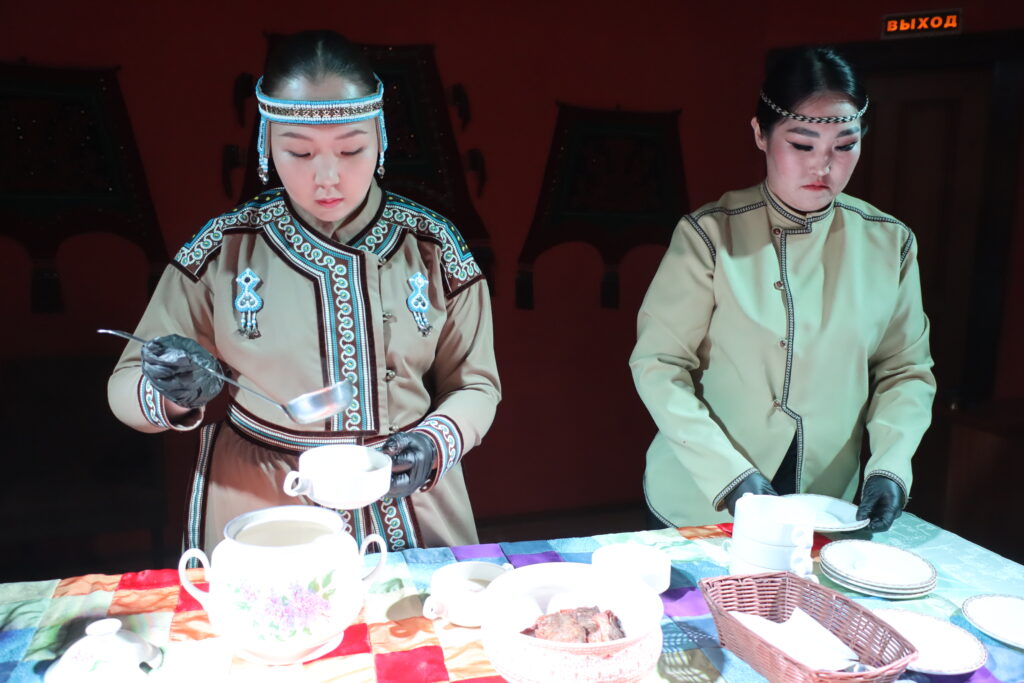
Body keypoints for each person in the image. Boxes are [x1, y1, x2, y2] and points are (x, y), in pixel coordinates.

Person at [108, 30, 500, 554]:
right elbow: (124, 387)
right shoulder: (224, 249)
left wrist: (435, 442)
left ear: (380, 137)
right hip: (262, 499)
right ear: (267, 144)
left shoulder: (433, 246)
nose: (327, 177)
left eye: (351, 149)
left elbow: (476, 384)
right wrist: (171, 389)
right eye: (298, 152)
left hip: (406, 495)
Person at [630, 46, 935, 532]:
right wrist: (728, 476)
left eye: (845, 145)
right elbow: (659, 364)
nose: (823, 166)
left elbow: (905, 371)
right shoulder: (710, 235)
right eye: (802, 145)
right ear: (760, 134)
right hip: (704, 494)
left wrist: (890, 465)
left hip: (823, 500)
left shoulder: (889, 243)